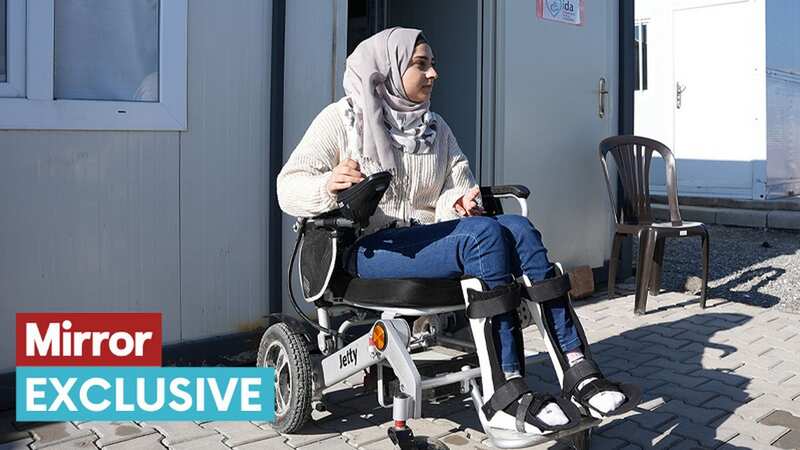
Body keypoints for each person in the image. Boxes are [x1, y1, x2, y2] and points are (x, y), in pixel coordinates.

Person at [277, 27, 636, 436]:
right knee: (483, 236)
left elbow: (454, 188)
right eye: (421, 64)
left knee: (517, 227)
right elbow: (287, 186)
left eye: (433, 65)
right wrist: (328, 185)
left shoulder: (436, 129)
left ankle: (577, 369)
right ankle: (506, 394)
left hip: (429, 240)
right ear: (389, 70)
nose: (434, 74)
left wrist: (460, 203)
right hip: (370, 246)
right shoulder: (343, 121)